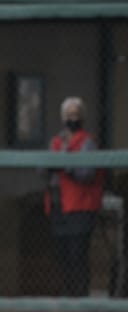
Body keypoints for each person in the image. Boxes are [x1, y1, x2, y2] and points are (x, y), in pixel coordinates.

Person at [43, 96, 104, 297]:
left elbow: (87, 173)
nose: (72, 118)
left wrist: (66, 166)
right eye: (69, 115)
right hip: (58, 204)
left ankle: (80, 297)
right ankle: (68, 296)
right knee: (62, 255)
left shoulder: (87, 141)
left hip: (80, 206)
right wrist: (53, 162)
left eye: (76, 114)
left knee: (77, 254)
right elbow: (43, 168)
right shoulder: (56, 141)